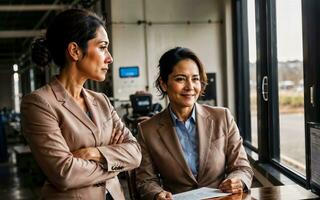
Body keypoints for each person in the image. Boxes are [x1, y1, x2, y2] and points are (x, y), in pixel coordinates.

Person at [21, 9, 142, 200]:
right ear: (75, 51)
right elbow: (64, 174)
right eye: (102, 47)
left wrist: (93, 152)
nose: (109, 58)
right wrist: (115, 161)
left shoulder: (101, 101)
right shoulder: (39, 103)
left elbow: (135, 154)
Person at [135, 47, 253, 200]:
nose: (190, 87)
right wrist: (157, 194)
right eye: (180, 79)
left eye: (195, 79)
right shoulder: (147, 130)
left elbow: (242, 167)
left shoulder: (222, 117)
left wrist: (238, 181)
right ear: (163, 84)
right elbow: (146, 180)